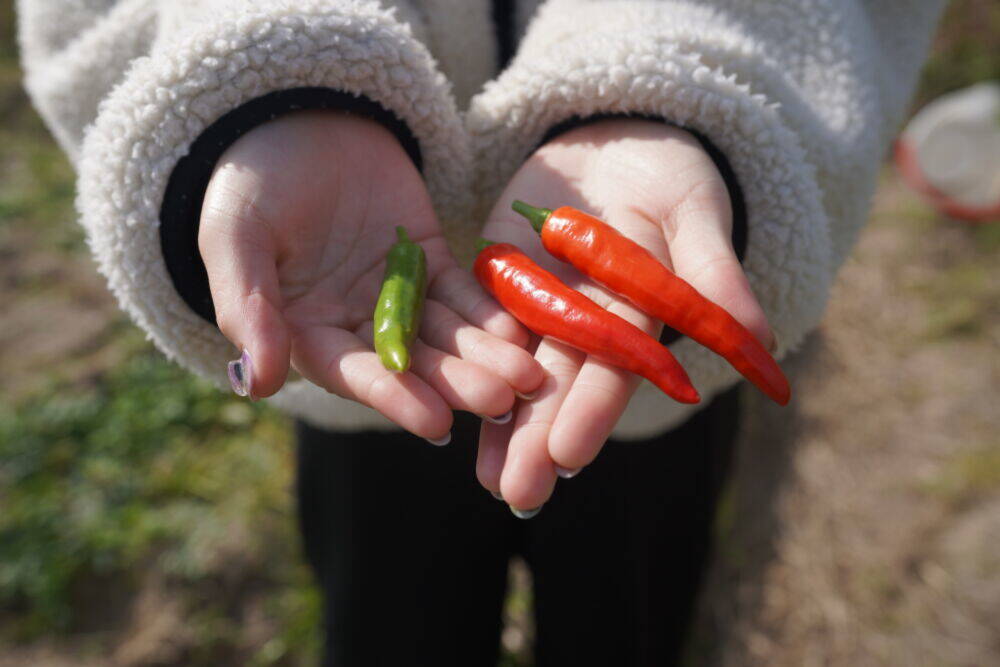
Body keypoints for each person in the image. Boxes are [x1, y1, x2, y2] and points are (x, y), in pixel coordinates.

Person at [18, 1, 947, 664]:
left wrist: (668, 82)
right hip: (360, 374)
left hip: (642, 372)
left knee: (624, 626)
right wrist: (268, 80)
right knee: (393, 624)